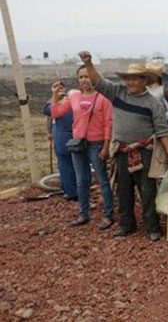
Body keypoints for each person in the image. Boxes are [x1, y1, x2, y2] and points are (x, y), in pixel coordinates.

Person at [78, 51, 168, 242]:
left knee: (147, 191)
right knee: (123, 190)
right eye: (128, 80)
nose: (130, 83)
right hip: (121, 151)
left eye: (135, 80)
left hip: (144, 152)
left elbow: (162, 130)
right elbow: (98, 81)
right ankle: (126, 225)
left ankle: (152, 227)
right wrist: (88, 63)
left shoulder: (153, 103)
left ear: (144, 81)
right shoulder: (117, 93)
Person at [51, 65, 114, 229]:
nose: (84, 80)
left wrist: (106, 146)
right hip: (78, 143)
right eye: (81, 77)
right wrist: (54, 95)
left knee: (102, 180)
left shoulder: (103, 97)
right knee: (81, 180)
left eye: (87, 76)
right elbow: (56, 113)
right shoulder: (74, 97)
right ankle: (83, 213)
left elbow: (109, 123)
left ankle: (108, 215)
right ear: (77, 80)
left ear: (93, 77)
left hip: (97, 143)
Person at [43, 81, 77, 201]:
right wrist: (49, 132)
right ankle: (69, 190)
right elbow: (48, 114)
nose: (59, 89)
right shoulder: (51, 102)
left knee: (74, 163)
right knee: (64, 164)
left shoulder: (71, 100)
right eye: (56, 87)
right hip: (60, 134)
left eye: (61, 87)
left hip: (73, 134)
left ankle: (75, 190)